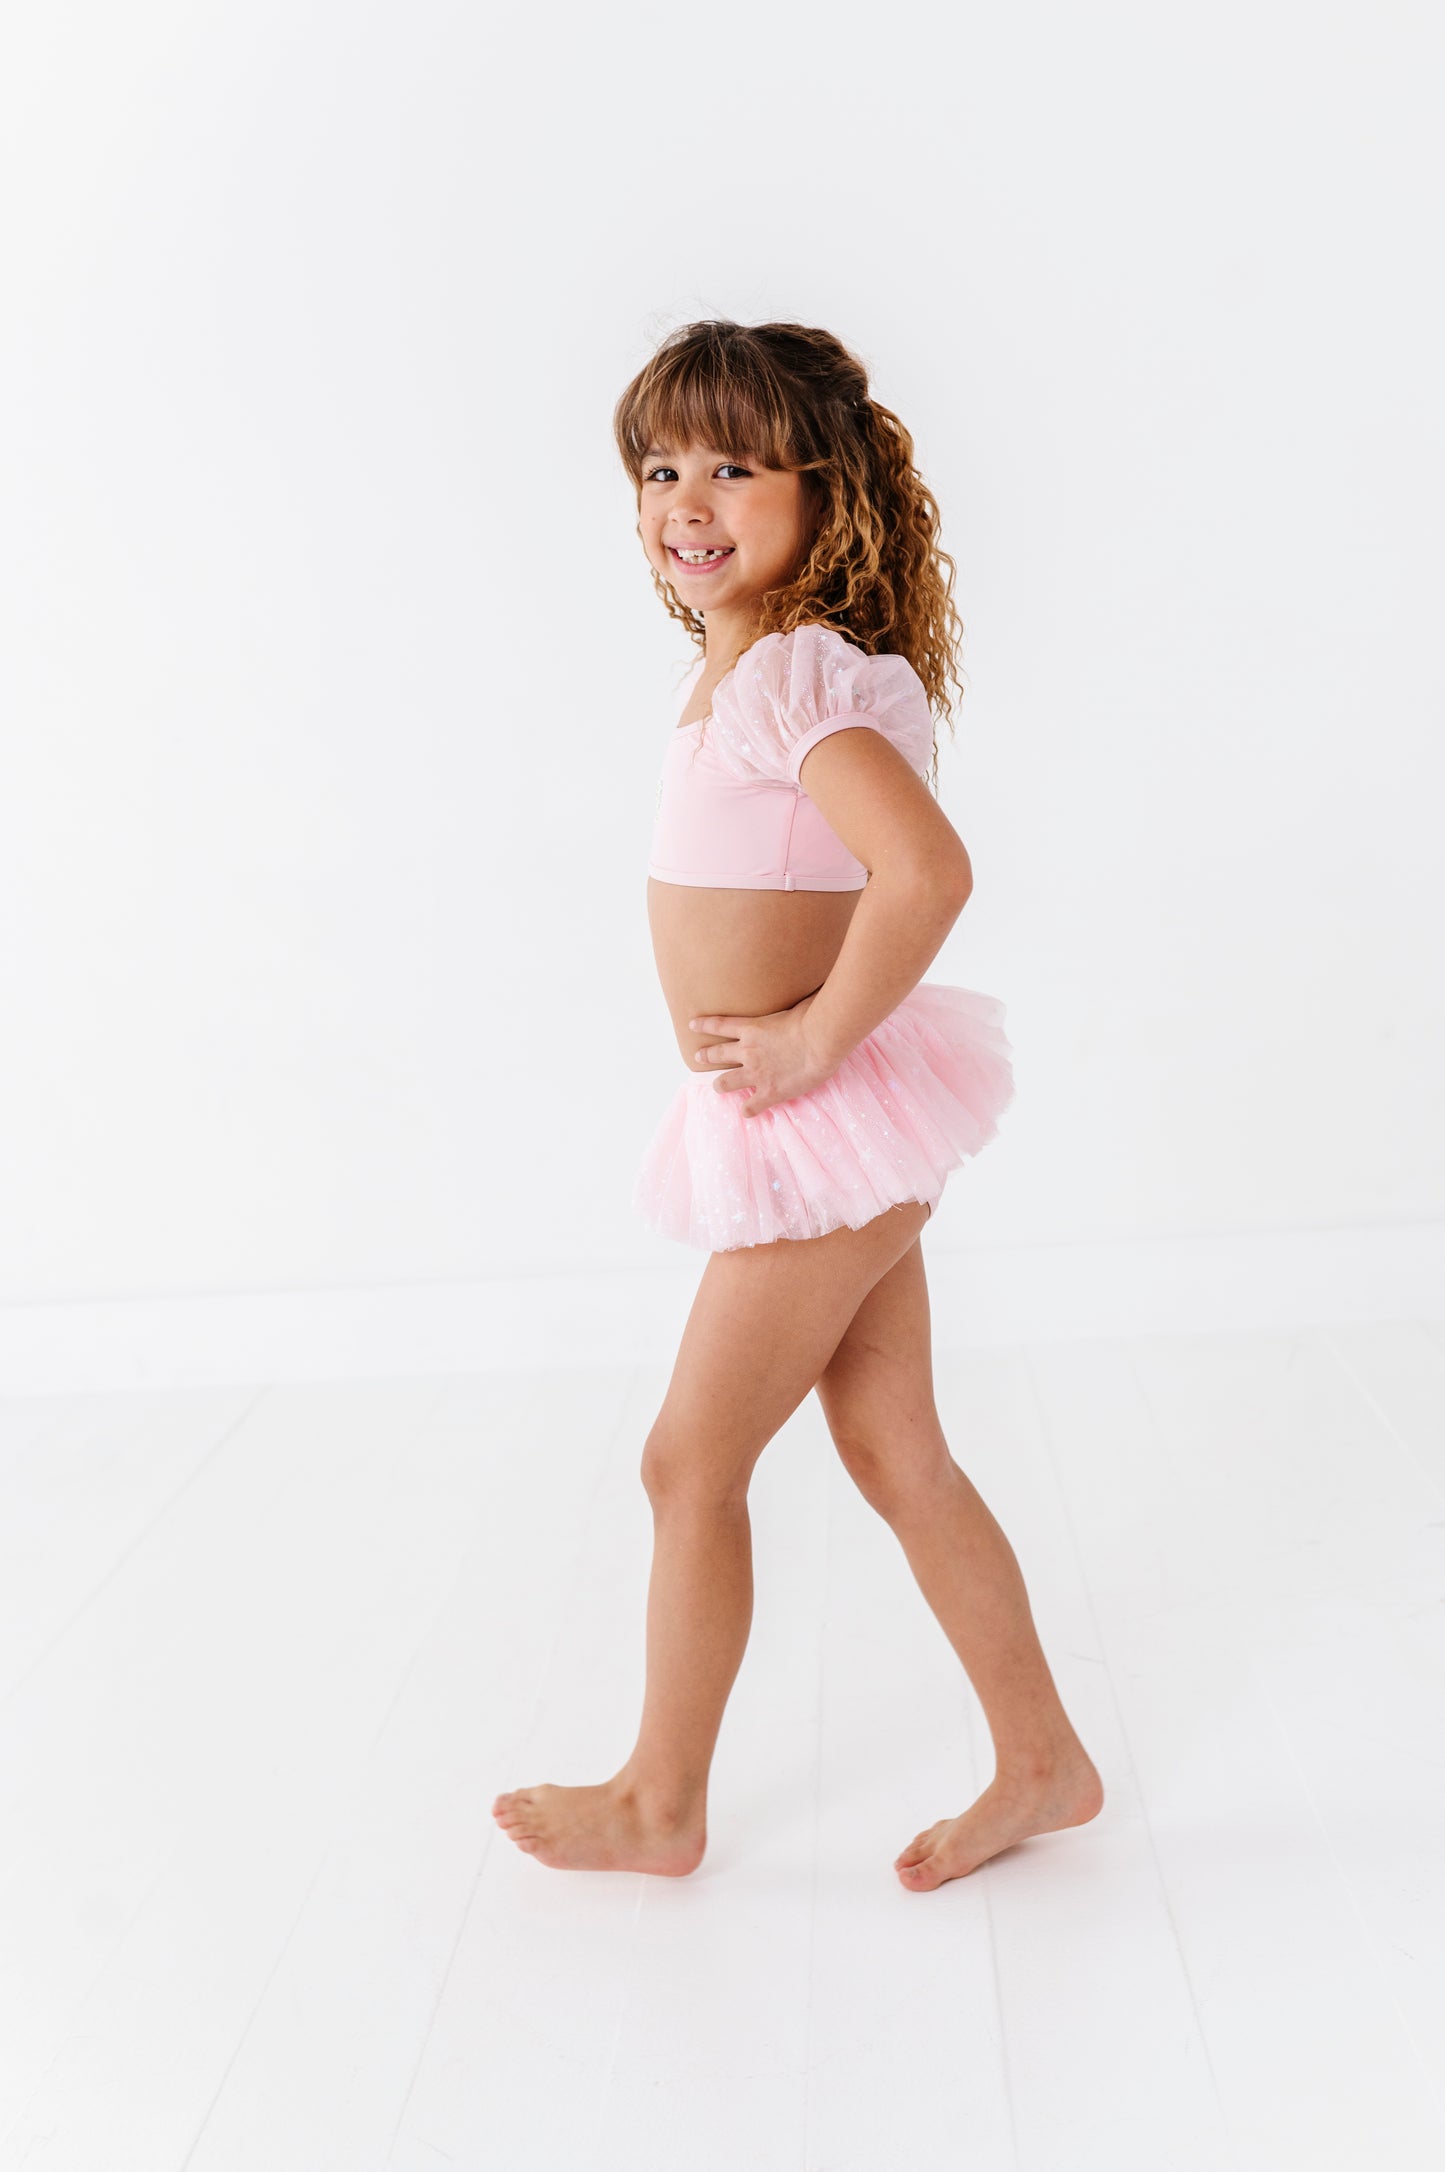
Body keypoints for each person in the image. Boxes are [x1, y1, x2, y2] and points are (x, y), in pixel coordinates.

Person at [493, 319, 1102, 1889]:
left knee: (686, 1465)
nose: (685, 497)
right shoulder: (737, 667)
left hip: (819, 1113)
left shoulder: (796, 676)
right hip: (826, 1119)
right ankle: (1043, 1762)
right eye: (658, 467)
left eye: (732, 466)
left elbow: (929, 872)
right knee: (894, 1448)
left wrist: (817, 1039)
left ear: (823, 494)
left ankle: (658, 1800)